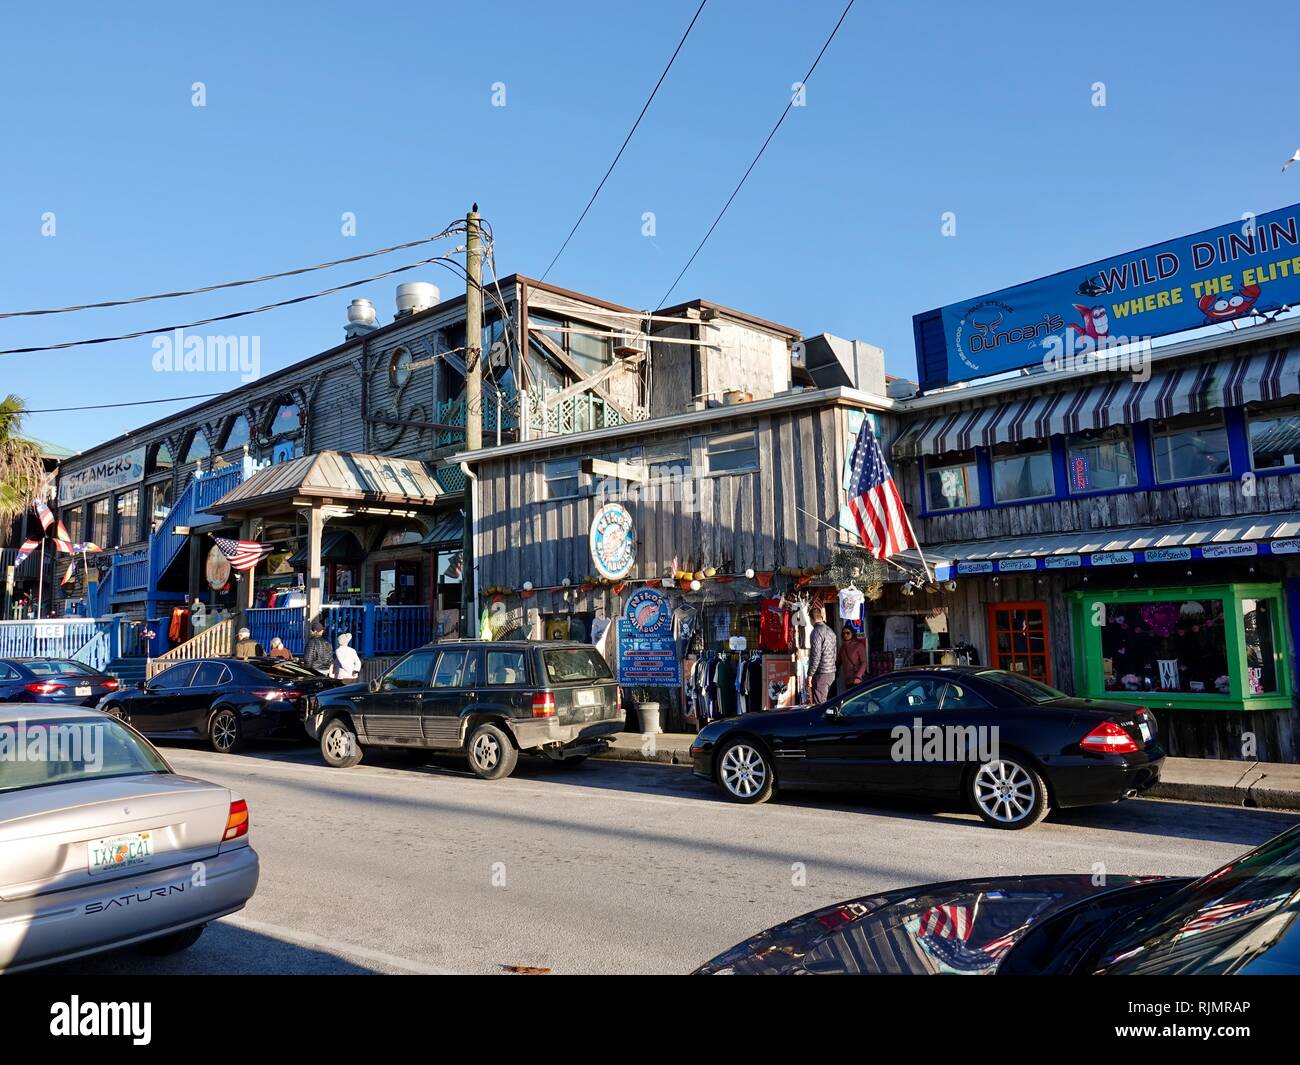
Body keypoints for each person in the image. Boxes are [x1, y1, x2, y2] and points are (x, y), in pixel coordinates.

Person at [807, 604, 838, 704]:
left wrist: (810, 674)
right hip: (831, 672)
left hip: (821, 673)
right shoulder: (831, 631)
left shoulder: (816, 632)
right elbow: (835, 653)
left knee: (819, 704)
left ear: (811, 619)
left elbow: (816, 656)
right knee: (829, 703)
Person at [837, 624, 866, 695]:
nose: (845, 635)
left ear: (852, 633)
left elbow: (864, 662)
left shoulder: (858, 645)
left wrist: (858, 676)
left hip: (857, 678)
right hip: (847, 680)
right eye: (843, 633)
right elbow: (839, 661)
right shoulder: (843, 647)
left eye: (848, 633)